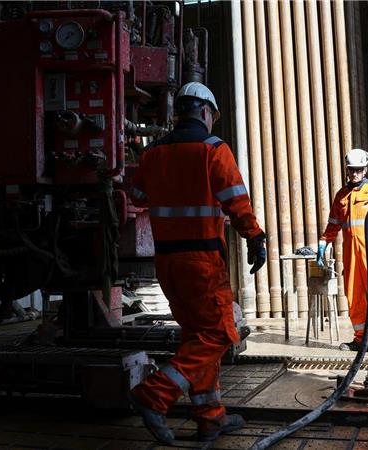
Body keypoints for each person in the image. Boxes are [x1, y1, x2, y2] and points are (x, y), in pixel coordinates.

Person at [127, 81, 266, 444]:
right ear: (205, 112)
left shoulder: (153, 153)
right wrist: (255, 237)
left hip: (168, 263)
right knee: (220, 332)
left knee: (196, 336)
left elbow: (137, 195)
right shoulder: (213, 149)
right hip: (201, 261)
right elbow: (236, 201)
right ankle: (154, 393)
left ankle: (211, 417)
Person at [317, 148, 368, 352]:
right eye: (352, 170)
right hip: (351, 254)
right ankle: (362, 340)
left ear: (365, 169)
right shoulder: (341, 195)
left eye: (359, 170)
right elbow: (333, 224)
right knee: (354, 296)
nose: (355, 174)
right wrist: (324, 242)